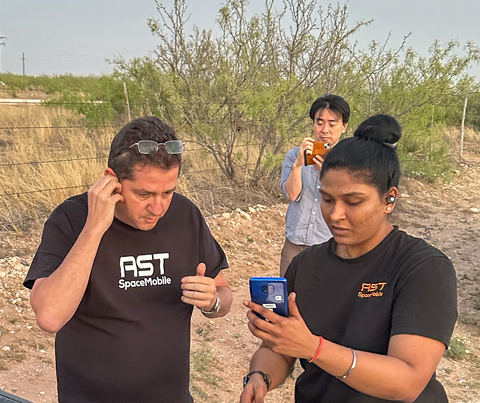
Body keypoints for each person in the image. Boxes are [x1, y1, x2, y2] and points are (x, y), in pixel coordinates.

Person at [241, 114, 457, 403]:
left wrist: (314, 348)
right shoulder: (306, 265)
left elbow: (407, 381)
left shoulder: (422, 268)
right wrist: (260, 377)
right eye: (327, 199)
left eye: (353, 202)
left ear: (388, 199)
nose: (336, 214)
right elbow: (278, 349)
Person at [23, 116, 233, 403]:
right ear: (112, 179)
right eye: (143, 193)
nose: (157, 207)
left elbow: (223, 293)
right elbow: (49, 316)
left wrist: (213, 302)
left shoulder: (186, 215)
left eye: (168, 192)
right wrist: (95, 227)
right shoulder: (71, 219)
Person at [280, 94, 350, 276]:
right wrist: (297, 164)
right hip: (295, 242)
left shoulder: (350, 160)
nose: (325, 129)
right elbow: (292, 195)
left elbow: (349, 199)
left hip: (329, 244)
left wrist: (326, 173)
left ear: (344, 126)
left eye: (332, 124)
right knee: (288, 296)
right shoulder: (294, 155)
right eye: (320, 122)